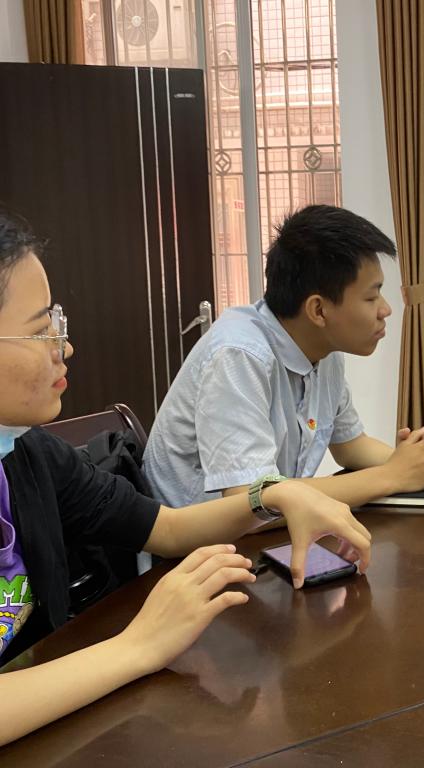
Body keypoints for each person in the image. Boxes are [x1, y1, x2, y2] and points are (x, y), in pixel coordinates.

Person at [0, 211, 372, 745]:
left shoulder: (29, 455)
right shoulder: (240, 350)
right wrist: (139, 646)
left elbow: (167, 528)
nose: (64, 346)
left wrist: (275, 494)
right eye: (40, 331)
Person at [143, 205, 424, 509]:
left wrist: (419, 459)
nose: (386, 309)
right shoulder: (239, 355)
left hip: (263, 536)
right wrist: (392, 476)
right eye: (371, 296)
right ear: (318, 310)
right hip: (196, 552)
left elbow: (350, 446)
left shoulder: (324, 350)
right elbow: (251, 502)